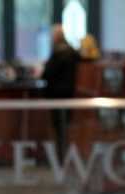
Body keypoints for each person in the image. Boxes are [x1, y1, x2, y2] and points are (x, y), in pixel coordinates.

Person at [41, 25, 80, 157]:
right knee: (64, 127)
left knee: (59, 128)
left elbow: (47, 73)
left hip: (57, 95)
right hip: (69, 93)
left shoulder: (58, 52)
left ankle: (61, 156)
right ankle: (63, 156)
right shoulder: (72, 52)